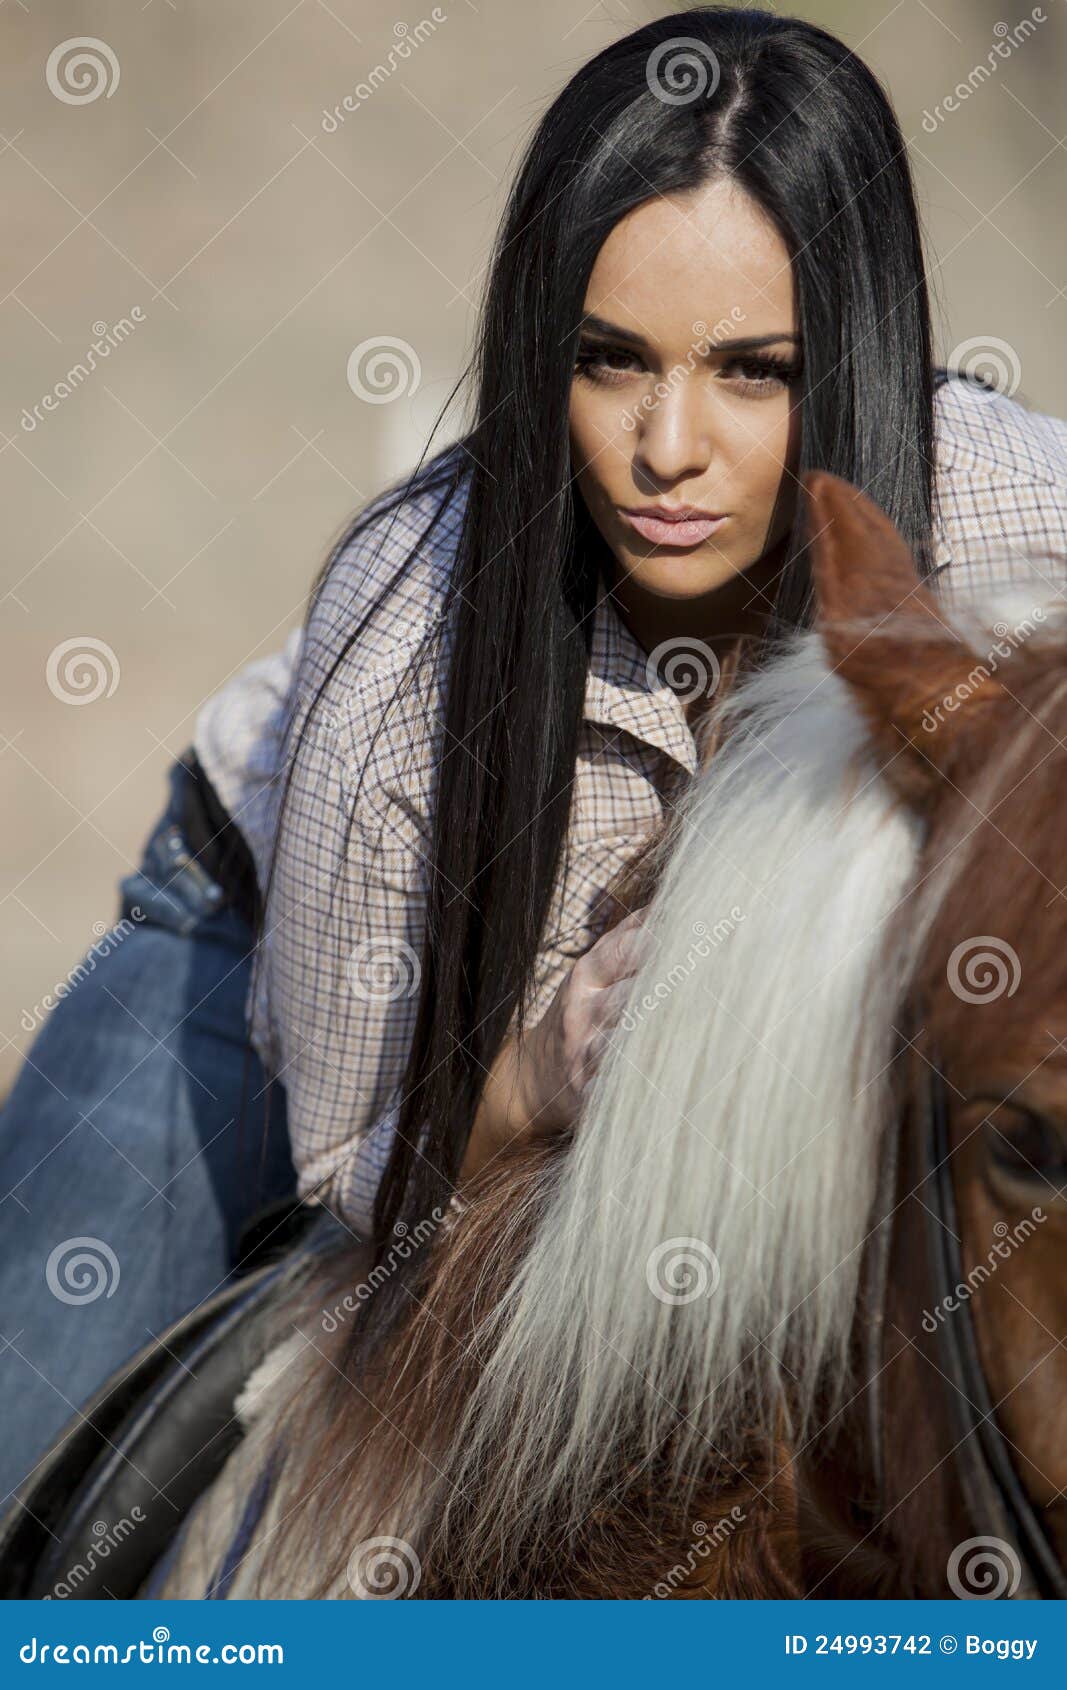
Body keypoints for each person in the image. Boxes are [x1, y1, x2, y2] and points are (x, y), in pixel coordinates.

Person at [2, 4, 1066, 1509]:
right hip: (272, 960)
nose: (668, 447)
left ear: (860, 347)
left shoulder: (1029, 524)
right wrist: (539, 1066)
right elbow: (360, 1168)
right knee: (19, 1416)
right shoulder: (403, 650)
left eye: (755, 370)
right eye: (608, 360)